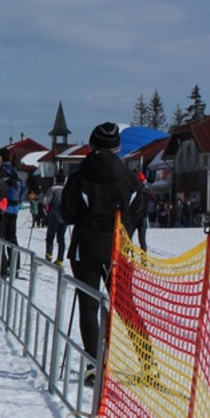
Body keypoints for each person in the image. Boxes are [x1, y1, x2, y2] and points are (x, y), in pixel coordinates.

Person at [60, 123, 146, 382]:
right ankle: (148, 362)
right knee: (125, 304)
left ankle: (93, 364)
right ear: (117, 147)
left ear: (92, 144)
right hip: (118, 248)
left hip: (85, 248)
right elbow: (139, 210)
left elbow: (67, 213)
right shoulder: (129, 177)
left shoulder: (79, 175)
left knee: (89, 306)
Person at [0, 149, 26, 277]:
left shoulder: (0, 172)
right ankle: (15, 265)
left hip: (2, 208)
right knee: (12, 238)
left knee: (0, 238)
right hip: (14, 208)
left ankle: (2, 266)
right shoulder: (17, 173)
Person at [42, 171, 67, 265]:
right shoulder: (67, 189)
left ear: (56, 179)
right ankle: (60, 259)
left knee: (50, 237)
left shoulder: (53, 189)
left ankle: (49, 255)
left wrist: (41, 197)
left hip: (54, 216)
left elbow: (45, 201)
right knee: (61, 238)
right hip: (64, 217)